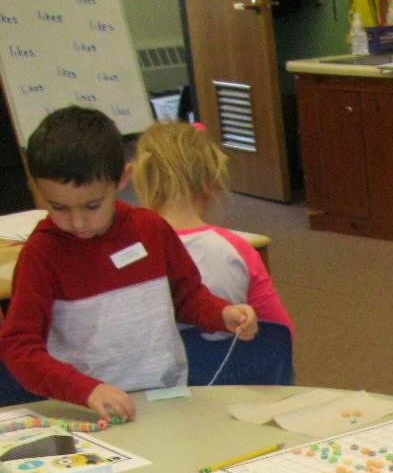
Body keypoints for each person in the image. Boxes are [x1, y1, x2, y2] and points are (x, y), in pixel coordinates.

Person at [0, 106, 258, 421]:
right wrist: (85, 389)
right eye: (58, 207)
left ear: (123, 177)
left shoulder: (151, 230)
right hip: (85, 408)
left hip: (165, 396)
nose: (77, 221)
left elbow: (186, 296)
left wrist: (222, 313)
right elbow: (19, 347)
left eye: (92, 205)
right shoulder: (42, 254)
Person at [131, 120, 295, 337]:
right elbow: (282, 332)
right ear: (211, 182)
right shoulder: (237, 249)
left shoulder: (129, 249)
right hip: (229, 367)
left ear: (140, 178)